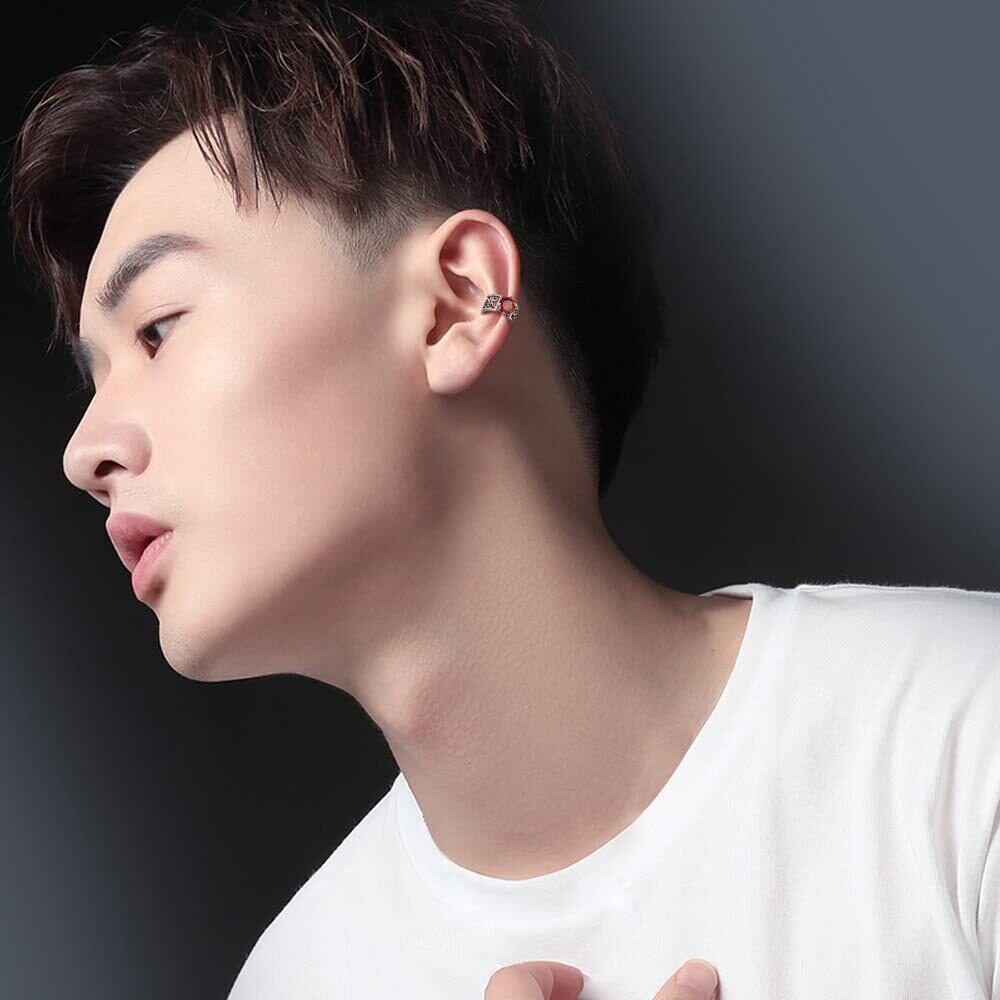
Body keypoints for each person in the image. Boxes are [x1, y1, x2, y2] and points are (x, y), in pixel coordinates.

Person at [7, 1, 998, 997]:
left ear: (456, 304)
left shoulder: (959, 745)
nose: (86, 452)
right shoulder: (296, 980)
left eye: (158, 330)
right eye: (94, 378)